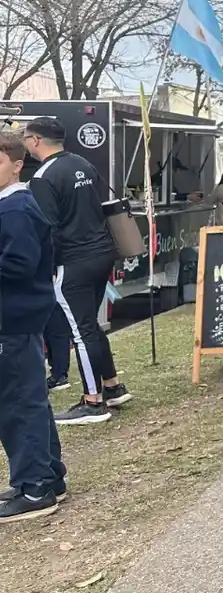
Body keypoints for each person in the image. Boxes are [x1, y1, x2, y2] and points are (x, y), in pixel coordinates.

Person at [24, 116, 131, 424]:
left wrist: (47, 267)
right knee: (91, 325)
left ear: (35, 141)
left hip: (73, 261)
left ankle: (93, 402)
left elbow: (49, 228)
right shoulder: (82, 163)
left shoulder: (43, 177)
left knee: (80, 332)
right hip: (101, 252)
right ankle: (112, 386)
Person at [0, 131, 68, 522]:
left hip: (13, 319)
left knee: (16, 404)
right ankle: (48, 476)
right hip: (20, 319)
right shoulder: (13, 207)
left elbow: (19, 265)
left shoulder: (15, 209)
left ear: (17, 164)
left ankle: (35, 487)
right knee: (29, 399)